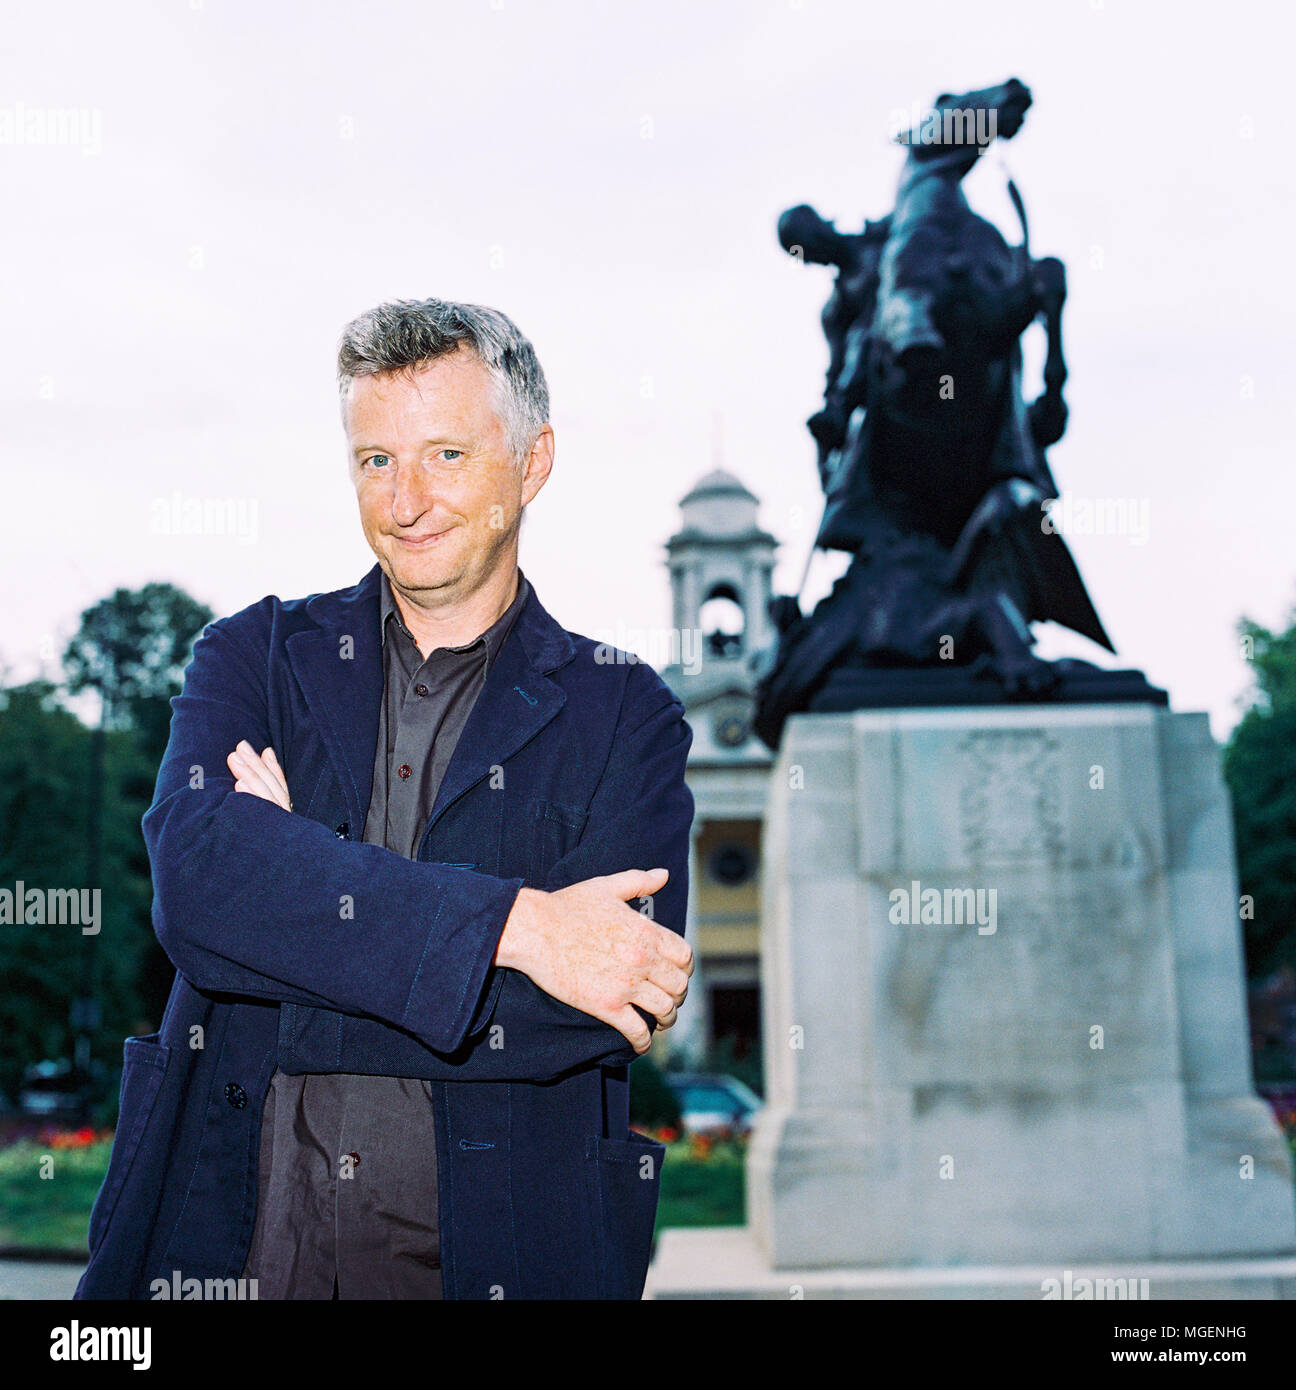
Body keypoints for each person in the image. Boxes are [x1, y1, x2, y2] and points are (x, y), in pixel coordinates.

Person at [75, 298, 695, 1301]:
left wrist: (286, 910)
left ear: (532, 464)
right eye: (375, 460)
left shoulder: (628, 714)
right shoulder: (253, 657)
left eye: (445, 454)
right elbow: (196, 896)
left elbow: (594, 1008)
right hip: (226, 1254)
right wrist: (517, 925)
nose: (406, 499)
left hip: (496, 1263)